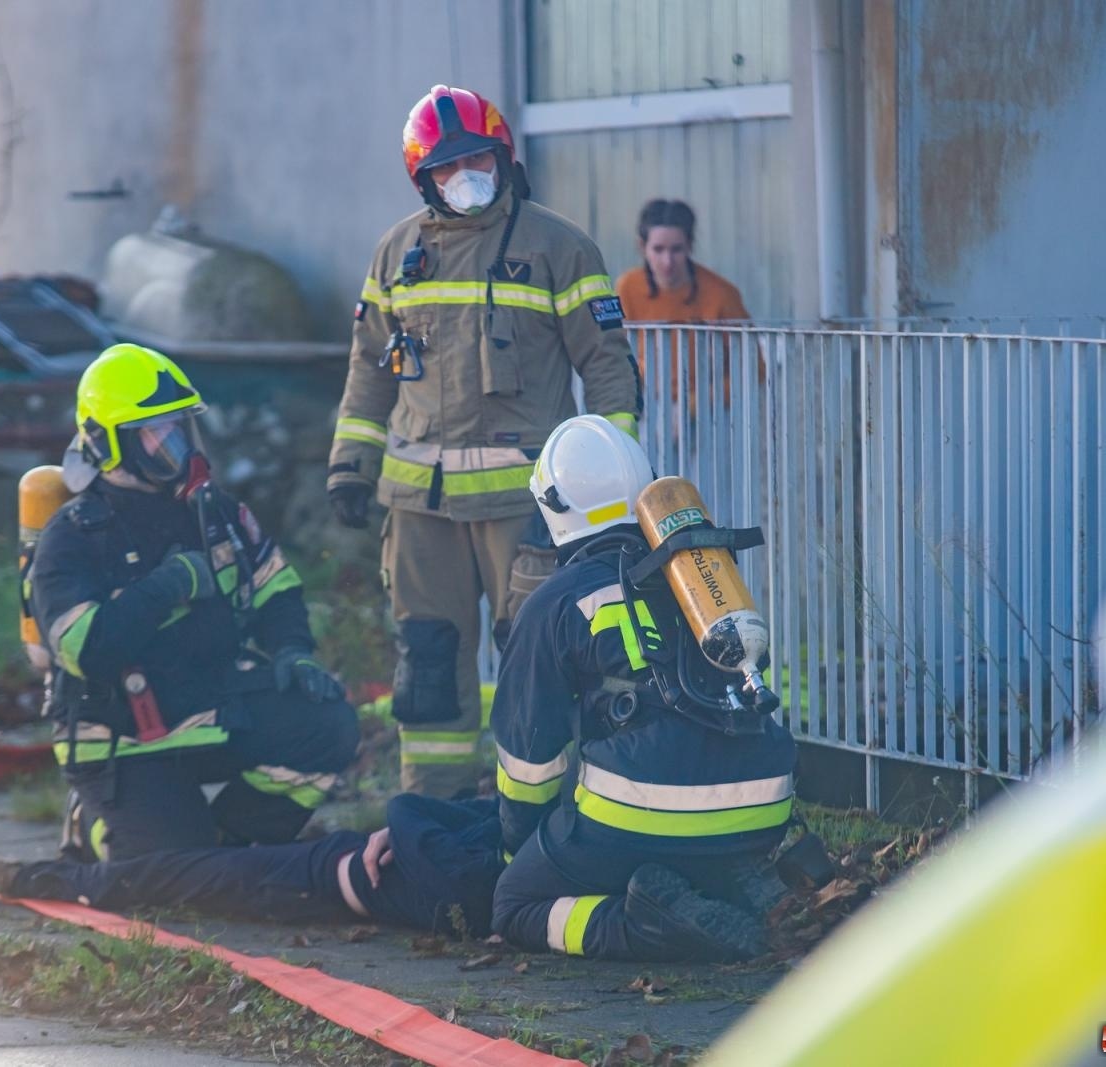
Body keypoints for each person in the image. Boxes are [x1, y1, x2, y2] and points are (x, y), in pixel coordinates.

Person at [327, 84, 643, 799]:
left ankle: (540, 819)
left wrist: (613, 480)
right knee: (429, 669)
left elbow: (607, 364)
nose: (463, 177)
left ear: (503, 159)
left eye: (475, 160)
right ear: (423, 178)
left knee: (538, 662)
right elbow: (368, 370)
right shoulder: (396, 253)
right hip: (420, 509)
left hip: (526, 507)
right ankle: (429, 818)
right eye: (446, 168)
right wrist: (350, 466)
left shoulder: (558, 247)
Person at [490, 415, 797, 962]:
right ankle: (730, 882)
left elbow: (528, 762)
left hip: (637, 809)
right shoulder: (703, 579)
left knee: (515, 904)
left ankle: (642, 923)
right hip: (763, 807)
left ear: (554, 509)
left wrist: (528, 845)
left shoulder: (555, 603)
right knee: (671, 833)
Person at [33, 343, 358, 859]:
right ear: (109, 444)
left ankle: (231, 840)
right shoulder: (72, 537)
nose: (180, 448)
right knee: (169, 874)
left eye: (181, 429)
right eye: (158, 435)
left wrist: (294, 651)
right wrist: (167, 586)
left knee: (328, 726)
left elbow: (277, 589)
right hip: (125, 738)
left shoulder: (216, 513)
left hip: (212, 707)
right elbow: (86, 649)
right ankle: (97, 823)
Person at [0, 793, 504, 941]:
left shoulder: (498, 885)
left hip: (309, 887)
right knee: (179, 866)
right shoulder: (545, 849)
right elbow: (479, 812)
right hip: (328, 860)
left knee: (159, 877)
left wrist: (400, 820)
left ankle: (14, 877)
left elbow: (455, 875)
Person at [615, 199, 752, 409]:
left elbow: (753, 369)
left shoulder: (722, 294)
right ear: (642, 247)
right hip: (645, 406)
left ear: (689, 245)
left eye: (676, 249)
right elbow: (614, 354)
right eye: (658, 250)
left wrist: (696, 404)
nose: (667, 261)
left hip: (711, 415)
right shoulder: (627, 288)